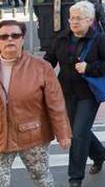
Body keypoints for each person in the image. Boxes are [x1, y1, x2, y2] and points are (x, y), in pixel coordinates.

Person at [44, 1, 105, 187]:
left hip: (88, 94)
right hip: (66, 92)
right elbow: (48, 62)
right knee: (79, 130)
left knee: (78, 134)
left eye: (79, 18)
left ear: (90, 20)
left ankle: (75, 178)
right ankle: (100, 154)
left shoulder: (99, 39)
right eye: (72, 18)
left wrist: (90, 67)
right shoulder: (61, 39)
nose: (74, 22)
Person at [0, 20, 72, 187]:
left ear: (22, 39)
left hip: (32, 133)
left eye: (15, 35)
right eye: (4, 36)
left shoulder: (41, 67)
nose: (10, 39)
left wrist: (63, 133)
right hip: (1, 134)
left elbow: (56, 103)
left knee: (41, 178)